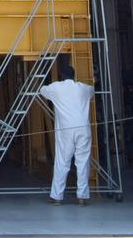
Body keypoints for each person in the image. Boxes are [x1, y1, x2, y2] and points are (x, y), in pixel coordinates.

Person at [39, 61, 95, 205]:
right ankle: (82, 197)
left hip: (66, 130)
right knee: (82, 162)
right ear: (74, 76)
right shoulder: (83, 88)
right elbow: (92, 91)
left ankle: (57, 197)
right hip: (83, 128)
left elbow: (42, 91)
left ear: (61, 76)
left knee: (62, 162)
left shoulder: (56, 88)